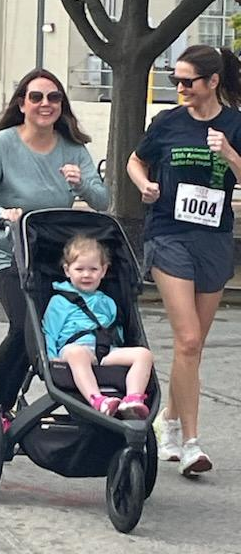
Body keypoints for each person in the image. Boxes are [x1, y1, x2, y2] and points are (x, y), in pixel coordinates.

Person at [0, 67, 109, 429]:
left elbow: (102, 200)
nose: (45, 104)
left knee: (51, 327)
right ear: (22, 103)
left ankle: (70, 391)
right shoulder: (4, 144)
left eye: (54, 97)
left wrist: (82, 185)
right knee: (24, 324)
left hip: (50, 253)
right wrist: (0, 214)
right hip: (5, 250)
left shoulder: (73, 148)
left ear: (62, 105)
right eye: (36, 97)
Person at [126, 44, 241, 476]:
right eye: (175, 80)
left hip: (212, 240)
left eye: (187, 82)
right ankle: (191, 444)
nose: (180, 88)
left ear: (212, 82)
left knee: (191, 348)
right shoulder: (168, 123)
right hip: (168, 235)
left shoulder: (235, 125)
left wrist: (230, 154)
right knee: (188, 339)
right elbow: (135, 161)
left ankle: (168, 421)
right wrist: (145, 186)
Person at [42, 235, 153, 419]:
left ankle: (132, 398)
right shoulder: (59, 301)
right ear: (67, 270)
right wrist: (51, 357)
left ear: (103, 271)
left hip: (104, 350)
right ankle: (97, 399)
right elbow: (49, 331)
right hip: (73, 350)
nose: (86, 275)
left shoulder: (108, 302)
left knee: (144, 354)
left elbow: (115, 329)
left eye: (93, 269)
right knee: (77, 353)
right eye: (80, 269)